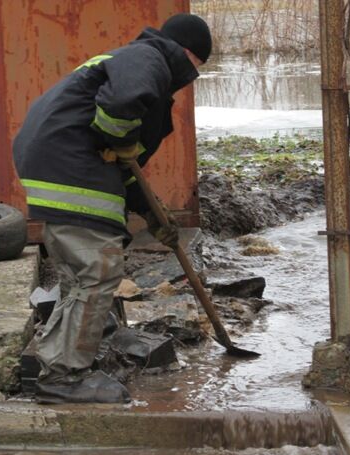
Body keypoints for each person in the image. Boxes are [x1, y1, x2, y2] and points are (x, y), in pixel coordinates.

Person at [12, 13, 212, 404]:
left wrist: (156, 217)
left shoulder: (128, 64)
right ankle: (63, 376)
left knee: (79, 270)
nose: (191, 78)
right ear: (188, 54)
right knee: (99, 268)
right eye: (196, 68)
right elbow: (119, 115)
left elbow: (125, 166)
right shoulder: (150, 57)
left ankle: (89, 345)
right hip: (69, 163)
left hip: (55, 158)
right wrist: (117, 134)